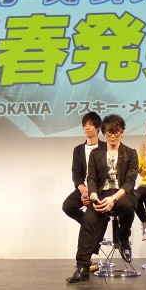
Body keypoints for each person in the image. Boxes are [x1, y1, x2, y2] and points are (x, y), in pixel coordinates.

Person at [66, 113, 138, 283]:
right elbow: (91, 178)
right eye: (109, 132)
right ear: (104, 133)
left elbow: (130, 181)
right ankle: (82, 266)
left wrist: (113, 199)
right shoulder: (96, 153)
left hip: (121, 193)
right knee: (87, 221)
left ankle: (123, 236)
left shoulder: (130, 153)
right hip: (100, 195)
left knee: (128, 206)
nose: (113, 136)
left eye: (116, 132)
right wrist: (93, 196)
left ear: (122, 132)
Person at [62, 111, 107, 272]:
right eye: (85, 125)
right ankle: (93, 225)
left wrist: (93, 191)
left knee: (95, 215)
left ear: (98, 127)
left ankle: (86, 259)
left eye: (91, 125)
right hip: (84, 188)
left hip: (101, 189)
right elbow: (76, 173)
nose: (87, 128)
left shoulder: (105, 147)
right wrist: (82, 189)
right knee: (68, 206)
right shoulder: (78, 149)